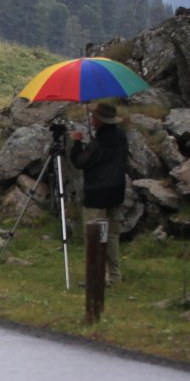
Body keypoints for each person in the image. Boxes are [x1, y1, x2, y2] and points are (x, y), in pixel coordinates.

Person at [69, 102, 129, 285]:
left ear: (101, 121)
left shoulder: (99, 142)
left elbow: (81, 162)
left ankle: (97, 277)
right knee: (112, 235)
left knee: (94, 235)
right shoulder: (121, 137)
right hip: (116, 191)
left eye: (94, 117)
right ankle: (114, 275)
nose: (92, 119)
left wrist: (77, 143)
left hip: (97, 194)